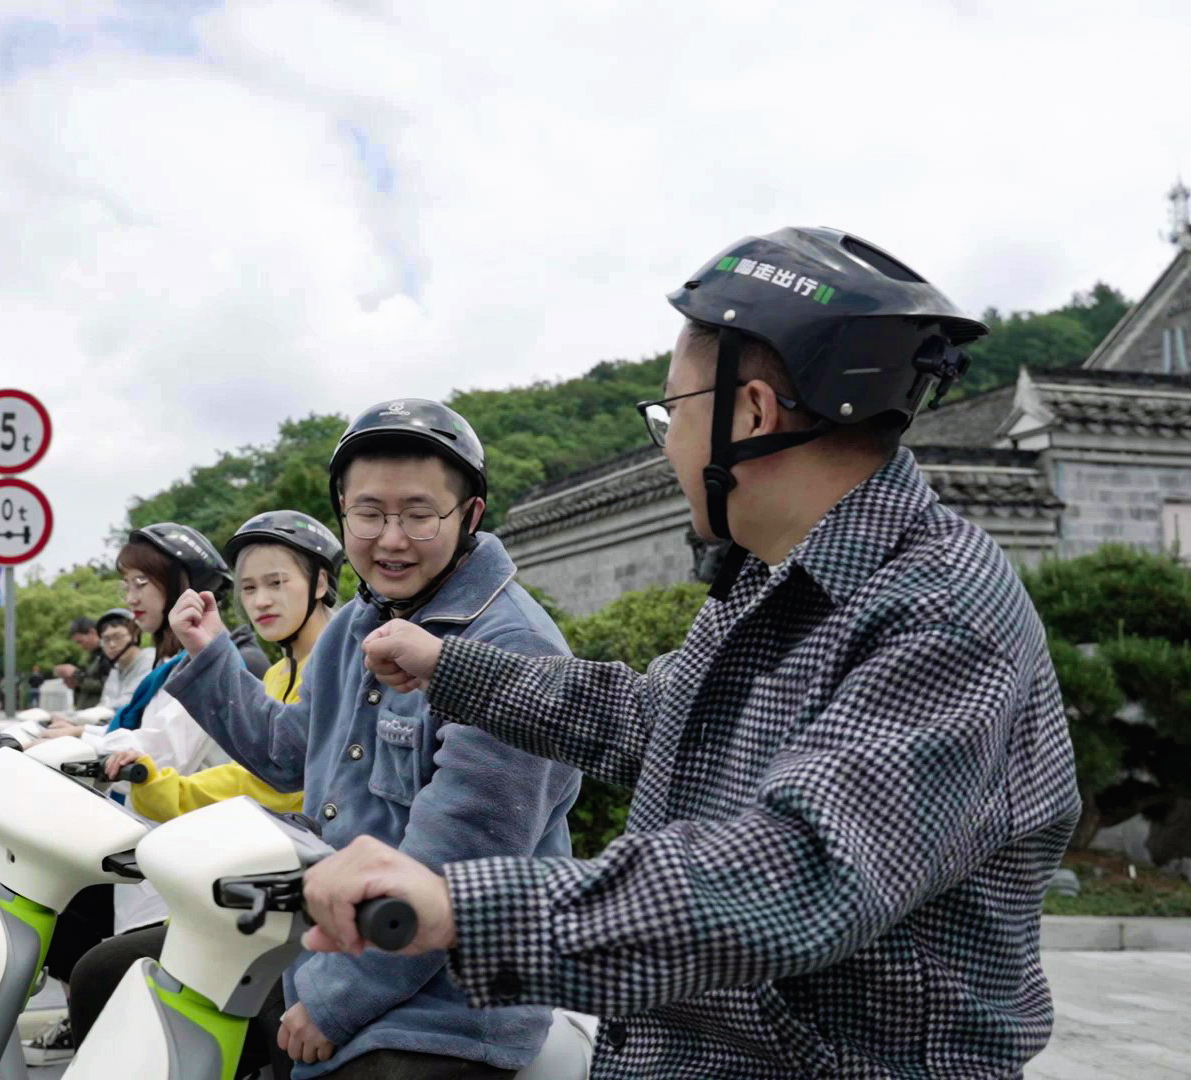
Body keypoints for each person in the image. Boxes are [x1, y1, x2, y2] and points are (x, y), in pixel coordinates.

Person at [305, 228, 1084, 1079]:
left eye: (673, 413)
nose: (669, 443)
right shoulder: (775, 580)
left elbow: (798, 875)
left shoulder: (941, 611)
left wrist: (461, 905)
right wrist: (455, 668)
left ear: (751, 414)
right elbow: (657, 719)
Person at [166, 399, 581, 1079]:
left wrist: (331, 1004)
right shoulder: (355, 624)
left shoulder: (511, 647)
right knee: (125, 980)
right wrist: (211, 653)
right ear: (342, 513)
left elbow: (450, 867)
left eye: (419, 514)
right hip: (334, 943)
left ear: (470, 515)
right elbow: (288, 753)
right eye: (368, 514)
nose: (390, 540)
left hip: (454, 1003)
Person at [63, 509, 346, 1079]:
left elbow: (270, 782)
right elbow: (245, 776)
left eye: (276, 583)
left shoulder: (338, 667)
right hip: (253, 876)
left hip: (301, 894)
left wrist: (158, 783)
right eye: (249, 588)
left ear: (321, 583)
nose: (261, 601)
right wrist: (154, 781)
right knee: (99, 973)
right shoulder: (277, 674)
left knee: (113, 975)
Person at [24, 523, 234, 1066]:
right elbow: (140, 733)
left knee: (104, 961)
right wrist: (83, 737)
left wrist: (82, 742)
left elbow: (161, 750)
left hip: (182, 849)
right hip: (149, 834)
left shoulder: (207, 662)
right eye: (127, 584)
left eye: (143, 582)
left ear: (185, 586)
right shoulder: (170, 663)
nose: (131, 596)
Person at [92, 608, 154, 711]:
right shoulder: (116, 668)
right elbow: (105, 703)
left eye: (117, 637)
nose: (112, 644)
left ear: (135, 635)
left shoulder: (150, 660)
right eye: (106, 640)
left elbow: (128, 703)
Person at [54, 615, 109, 707]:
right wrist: (75, 683)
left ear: (92, 632)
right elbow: (90, 683)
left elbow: (107, 685)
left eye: (80, 641)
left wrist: (76, 674)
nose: (81, 647)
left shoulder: (109, 653)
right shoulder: (94, 655)